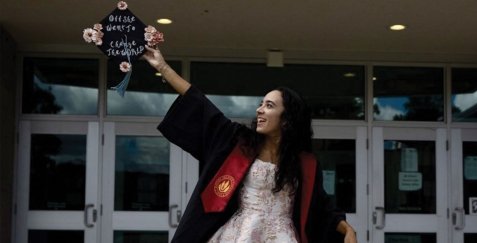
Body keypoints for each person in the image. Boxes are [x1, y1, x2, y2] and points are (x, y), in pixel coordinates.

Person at [143, 45, 357, 243]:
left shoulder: (305, 163)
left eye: (269, 106)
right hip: (242, 233)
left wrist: (348, 230)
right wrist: (162, 66)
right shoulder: (239, 143)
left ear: (287, 119)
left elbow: (321, 207)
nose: (259, 110)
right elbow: (200, 105)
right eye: (260, 104)